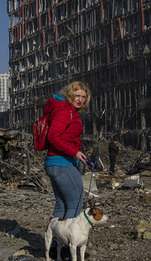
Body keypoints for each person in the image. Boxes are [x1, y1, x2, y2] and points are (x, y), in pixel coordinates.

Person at [44, 81, 90, 219]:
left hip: (55, 163)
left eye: (83, 97)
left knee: (62, 205)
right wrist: (74, 152)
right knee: (75, 203)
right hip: (63, 163)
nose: (80, 100)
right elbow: (53, 136)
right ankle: (68, 240)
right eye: (77, 96)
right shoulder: (65, 110)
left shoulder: (63, 109)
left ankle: (53, 240)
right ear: (69, 95)